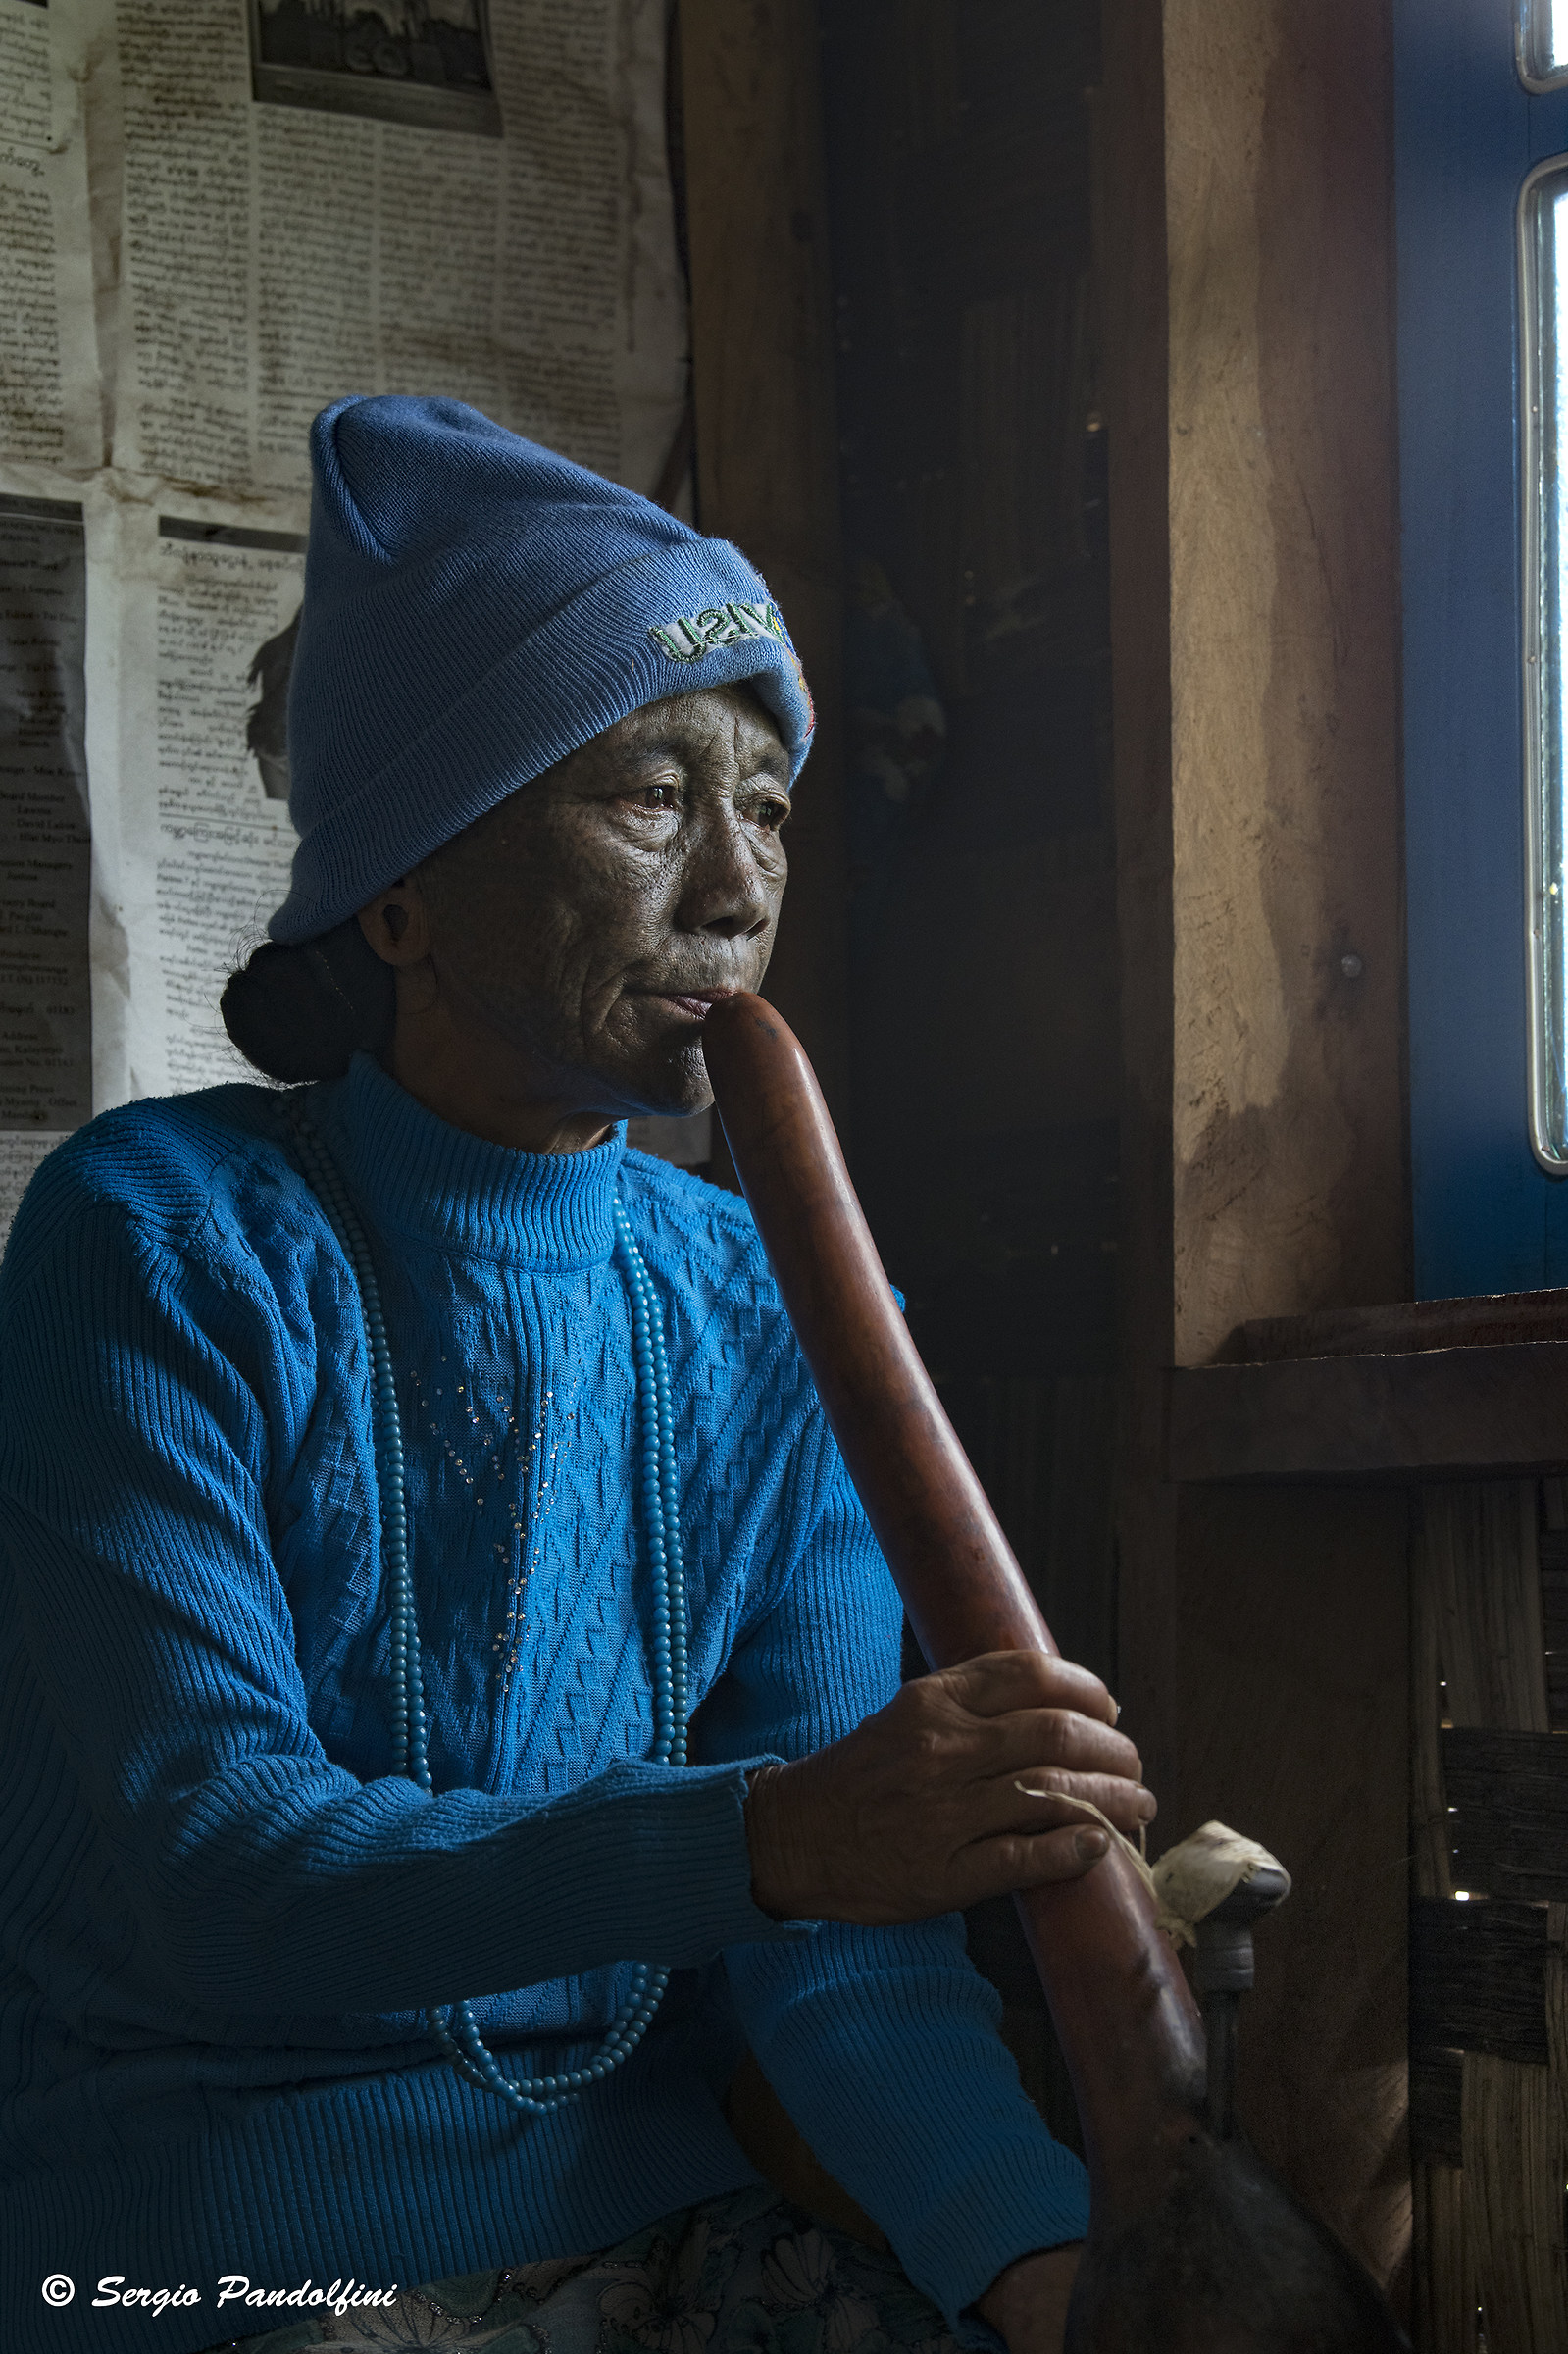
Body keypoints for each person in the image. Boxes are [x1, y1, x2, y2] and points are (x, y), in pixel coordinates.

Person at [0, 397, 1154, 2354]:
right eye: (646, 797)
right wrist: (768, 1837)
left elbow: (845, 1971)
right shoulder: (156, 1235)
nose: (735, 885)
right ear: (402, 891)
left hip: (666, 2227)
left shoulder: (753, 1294)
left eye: (767, 808)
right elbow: (219, 1864)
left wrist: (1059, 2276)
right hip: (216, 2253)